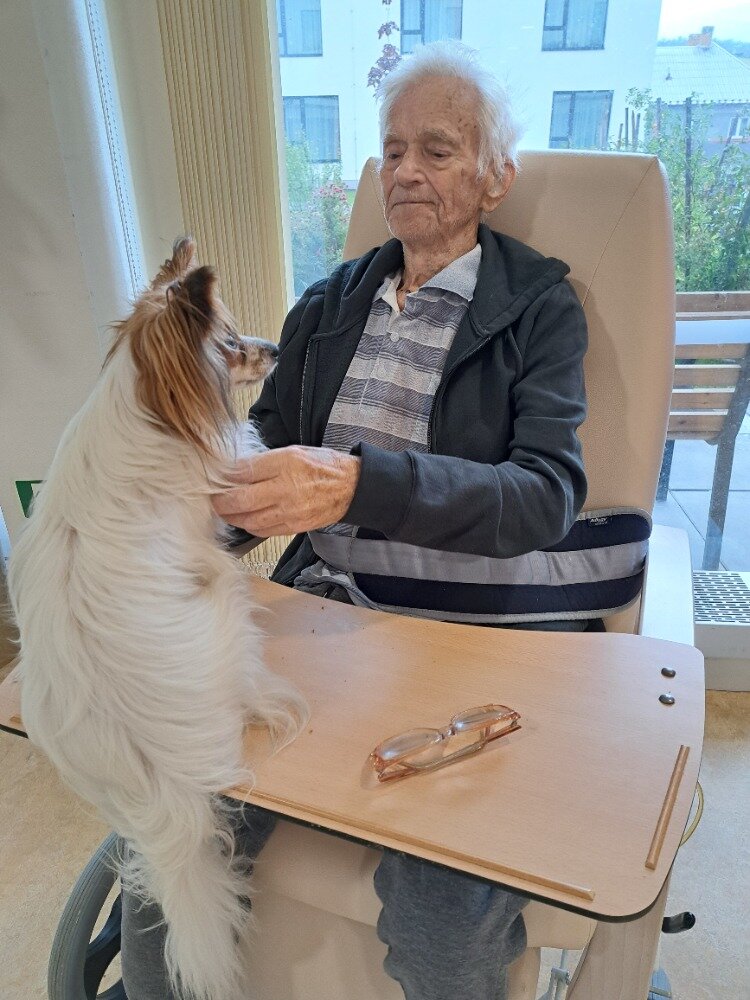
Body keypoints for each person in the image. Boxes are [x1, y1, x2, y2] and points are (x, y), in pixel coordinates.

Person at [121, 41, 589, 1000]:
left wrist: (358, 486)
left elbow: (546, 495)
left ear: (495, 178)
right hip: (319, 618)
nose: (405, 171)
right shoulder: (330, 304)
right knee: (168, 842)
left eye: (438, 150)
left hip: (465, 640)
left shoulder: (542, 311)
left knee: (441, 925)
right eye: (393, 150)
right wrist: (185, 514)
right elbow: (262, 449)